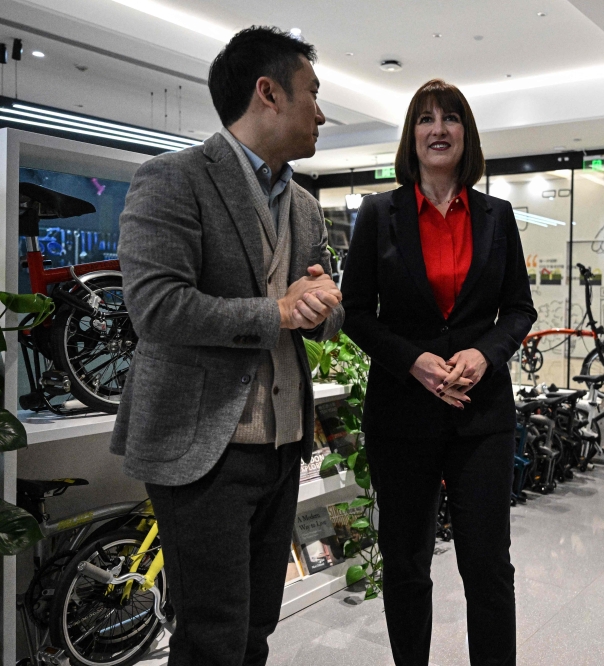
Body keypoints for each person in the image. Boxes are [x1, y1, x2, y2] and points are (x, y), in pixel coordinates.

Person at [111, 26, 344, 666]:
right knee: (212, 634)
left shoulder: (302, 204)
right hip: (201, 445)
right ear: (268, 93)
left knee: (255, 629)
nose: (322, 114)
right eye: (313, 94)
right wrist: (277, 309)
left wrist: (324, 307)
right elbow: (156, 306)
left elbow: (317, 302)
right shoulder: (173, 178)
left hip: (283, 444)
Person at [341, 79, 537, 666]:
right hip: (402, 414)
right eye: (425, 119)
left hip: (482, 418)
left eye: (451, 118)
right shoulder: (379, 214)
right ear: (412, 135)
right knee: (405, 564)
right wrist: (412, 360)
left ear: (466, 134)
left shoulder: (497, 215)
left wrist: (485, 354)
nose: (438, 128)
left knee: (487, 566)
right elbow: (356, 313)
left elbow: (520, 308)